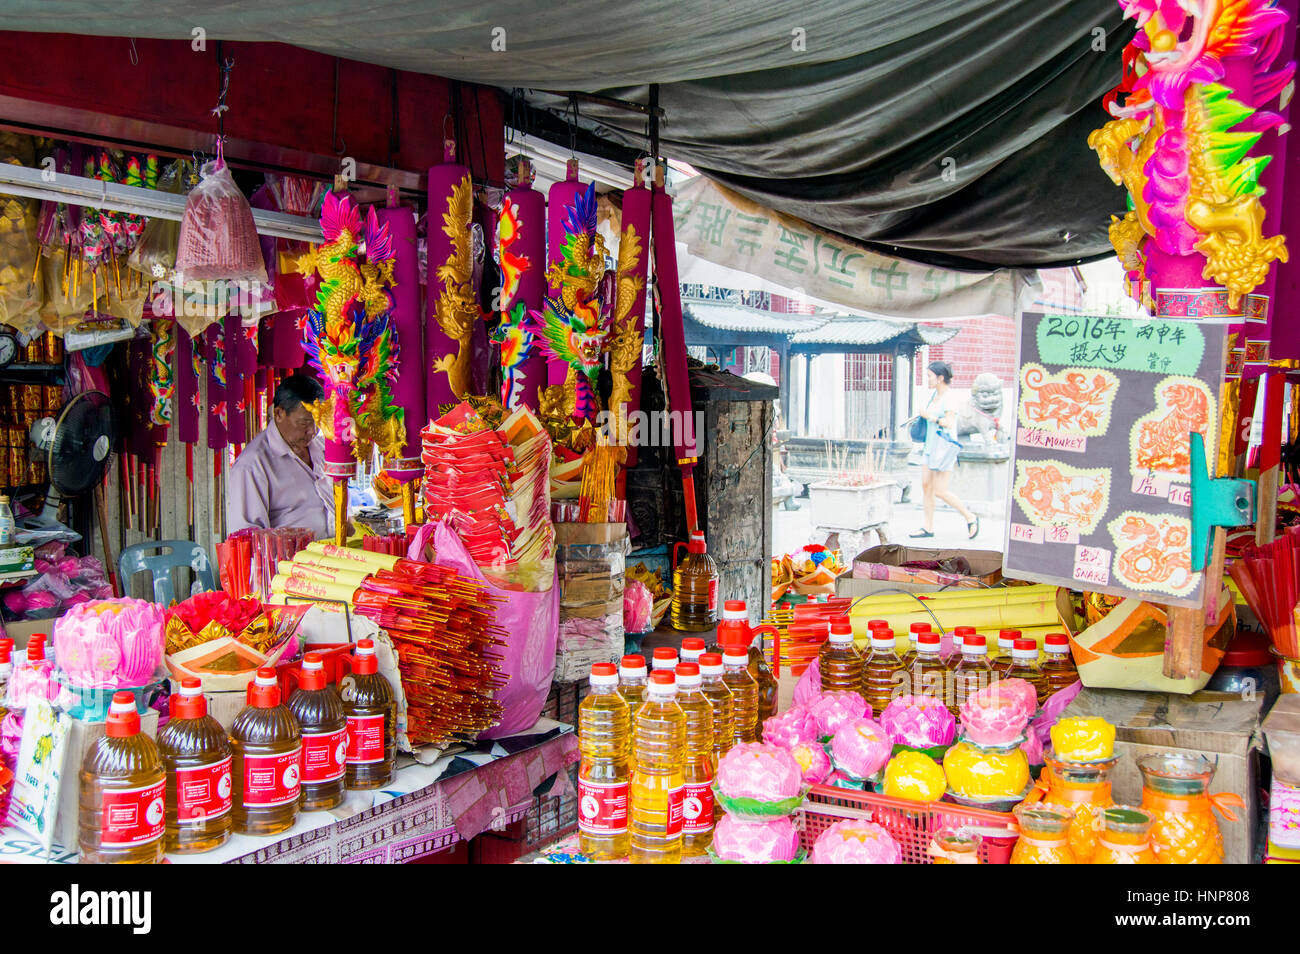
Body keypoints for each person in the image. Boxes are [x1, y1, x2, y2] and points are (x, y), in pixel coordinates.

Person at [227, 373, 336, 540]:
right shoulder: (253, 465)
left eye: (318, 422)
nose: (313, 431)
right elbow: (246, 537)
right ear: (279, 414)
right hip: (289, 563)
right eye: (304, 423)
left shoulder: (321, 448)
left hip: (335, 556)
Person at [911, 361, 978, 540]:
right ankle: (928, 527)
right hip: (930, 447)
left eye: (930, 376)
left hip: (944, 448)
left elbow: (948, 422)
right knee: (926, 487)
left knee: (940, 490)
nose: (928, 379)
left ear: (940, 377)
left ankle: (970, 517)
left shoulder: (950, 397)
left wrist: (929, 417)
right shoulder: (934, 395)